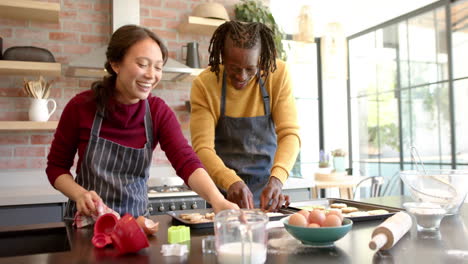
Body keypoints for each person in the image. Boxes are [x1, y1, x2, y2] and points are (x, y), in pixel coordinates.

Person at [46, 25, 238, 220]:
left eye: (157, 67)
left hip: (136, 227)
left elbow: (186, 161)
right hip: (87, 225)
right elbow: (56, 167)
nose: (151, 75)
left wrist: (217, 200)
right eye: (143, 64)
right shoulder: (81, 107)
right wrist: (79, 194)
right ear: (115, 64)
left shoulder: (158, 112)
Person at [190, 21, 300, 211]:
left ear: (261, 59)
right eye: (234, 68)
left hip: (268, 193)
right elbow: (202, 148)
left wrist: (277, 180)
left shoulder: (277, 74)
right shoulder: (205, 84)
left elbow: (290, 134)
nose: (241, 76)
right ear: (223, 57)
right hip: (222, 197)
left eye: (250, 68)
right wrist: (230, 181)